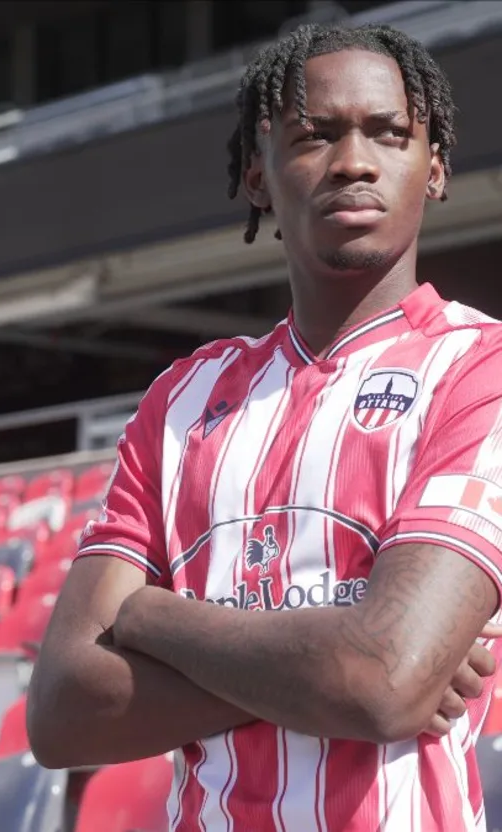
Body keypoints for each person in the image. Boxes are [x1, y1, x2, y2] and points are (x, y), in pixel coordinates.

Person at [27, 22, 502, 831]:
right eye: (315, 135)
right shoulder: (180, 402)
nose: (354, 162)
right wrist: (343, 670)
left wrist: (151, 618)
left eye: (390, 133)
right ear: (258, 174)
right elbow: (63, 714)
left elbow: (384, 683)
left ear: (436, 168)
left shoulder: (480, 368)